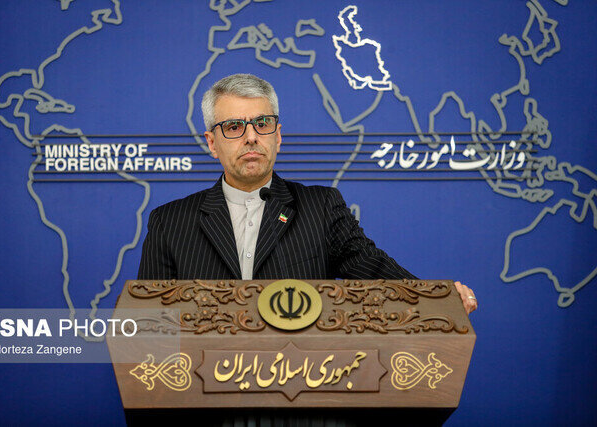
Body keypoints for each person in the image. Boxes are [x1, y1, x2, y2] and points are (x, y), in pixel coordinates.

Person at [138, 73, 478, 314]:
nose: (251, 137)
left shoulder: (321, 208)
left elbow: (372, 268)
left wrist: (438, 299)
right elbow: (147, 329)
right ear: (212, 143)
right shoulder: (170, 223)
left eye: (262, 123)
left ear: (278, 136)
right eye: (234, 127)